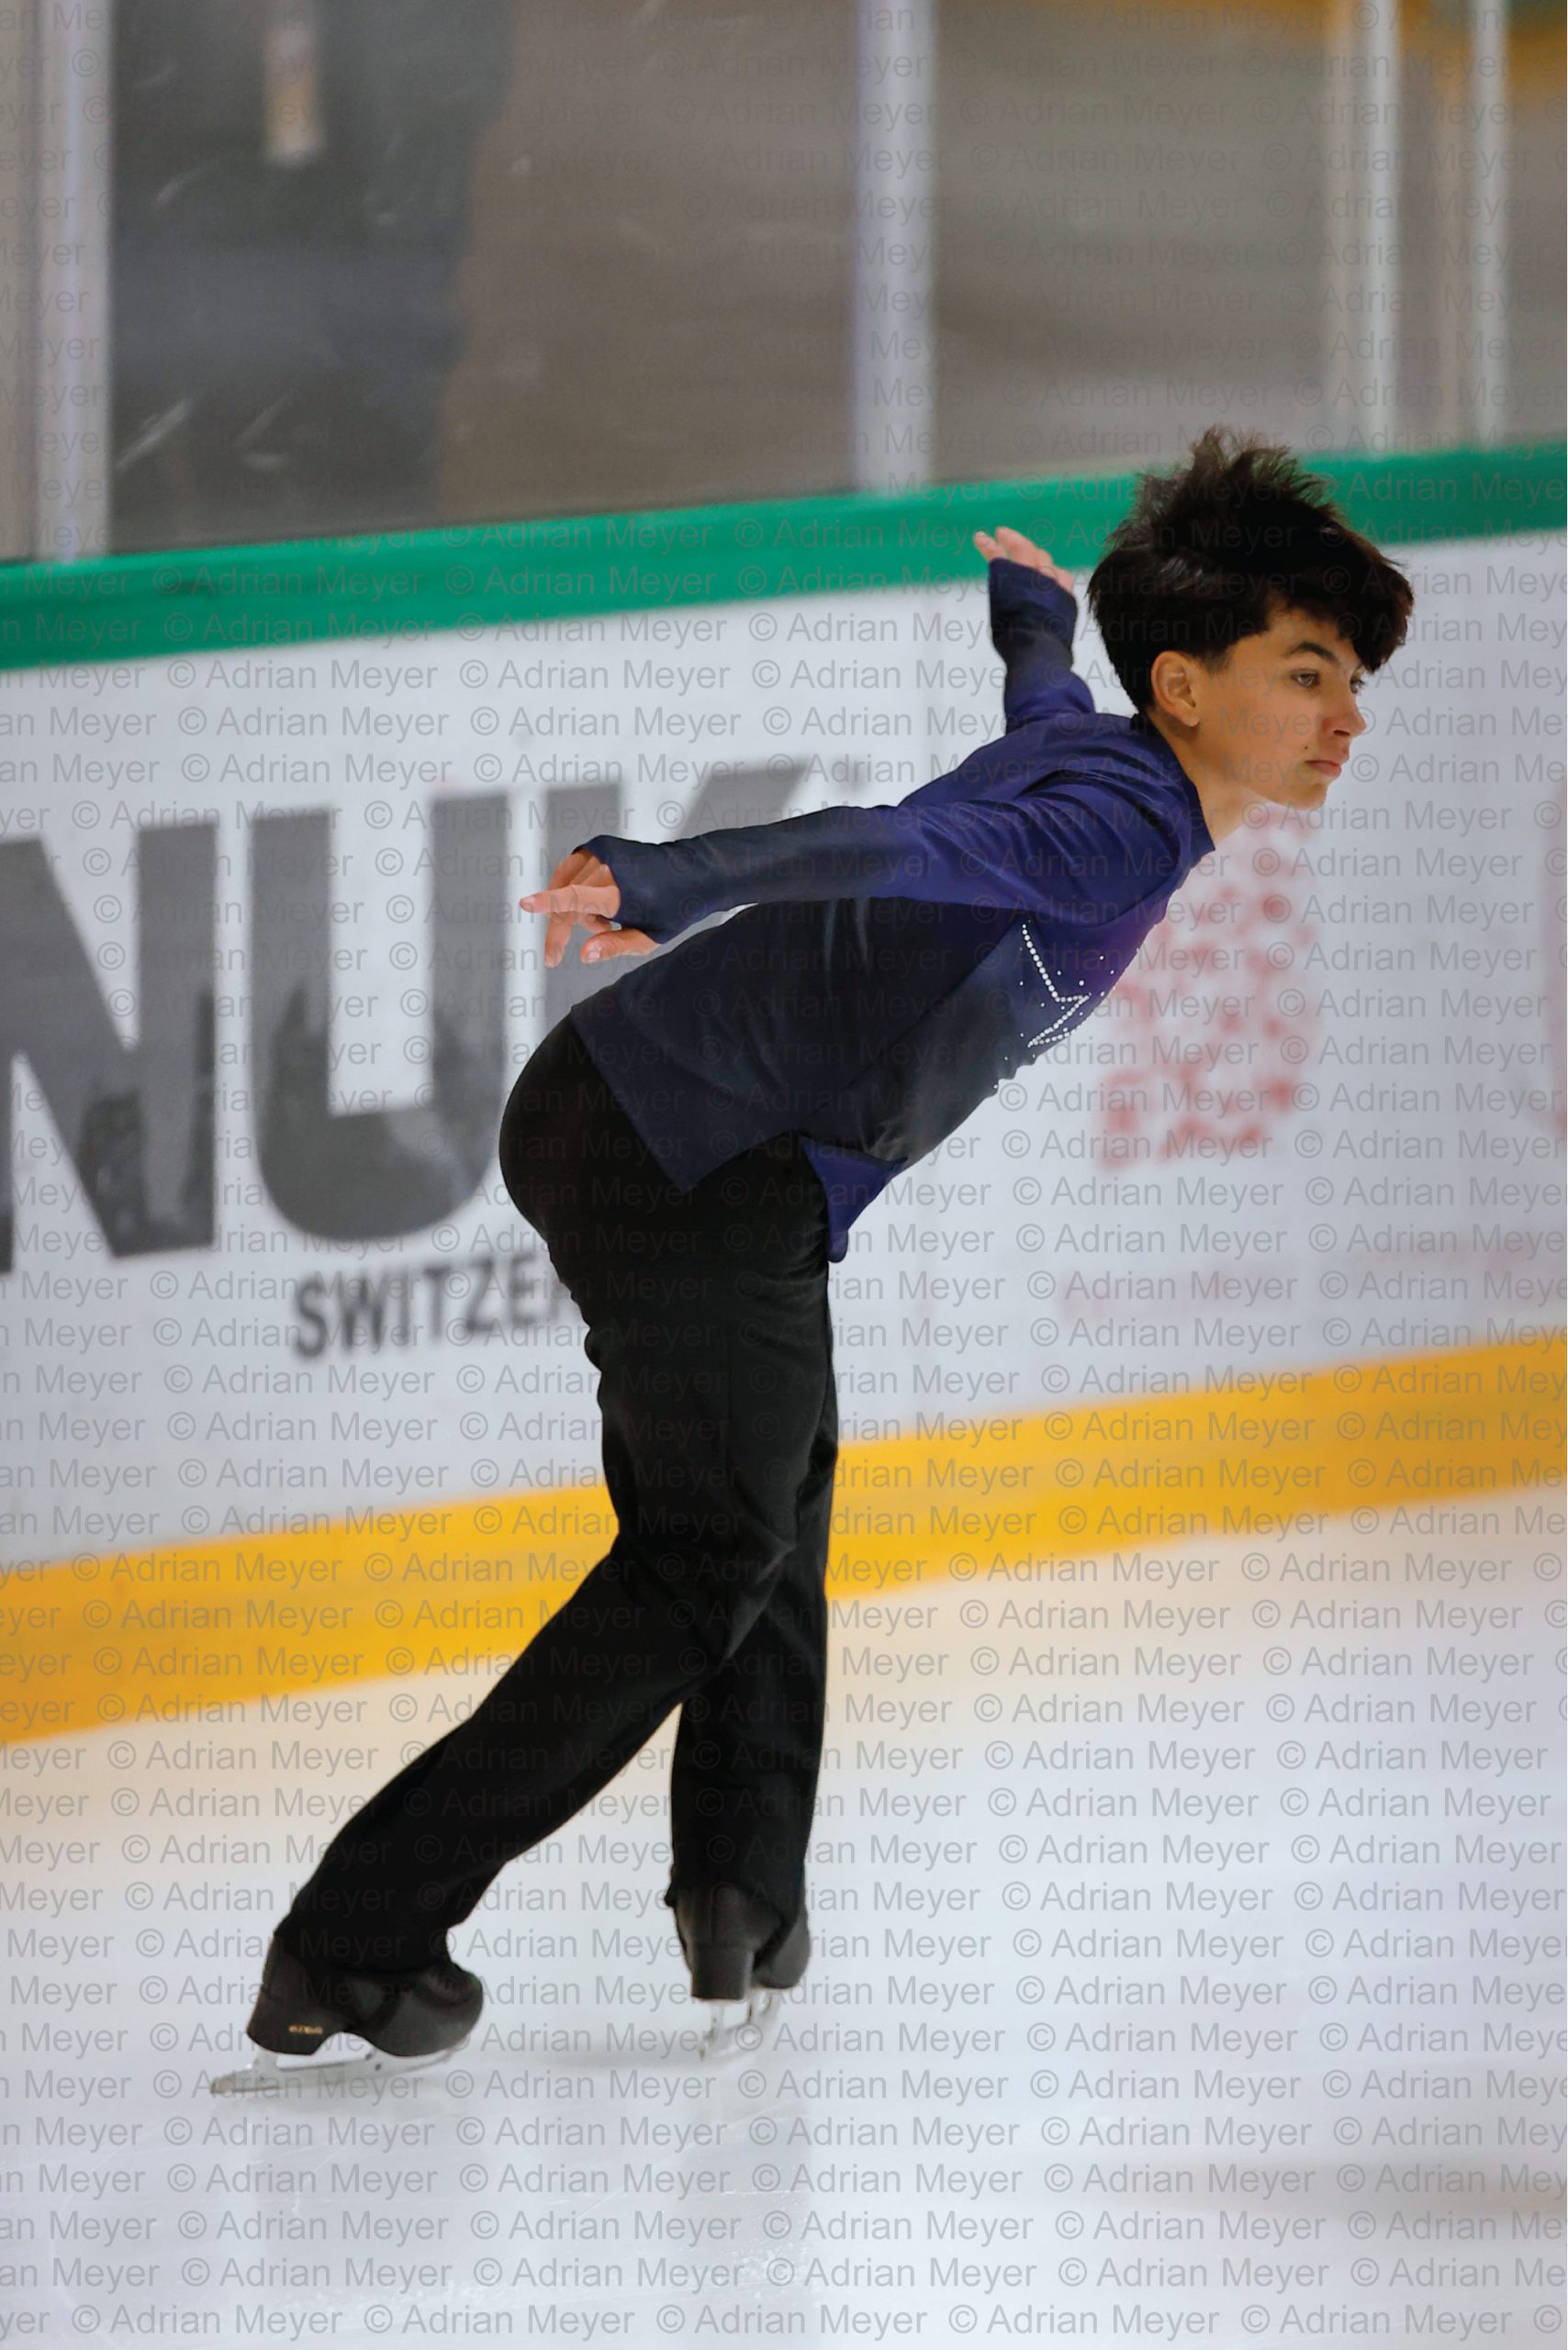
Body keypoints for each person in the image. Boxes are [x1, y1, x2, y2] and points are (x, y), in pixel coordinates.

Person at [220, 424, 1414, 2087]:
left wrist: (1028, 615)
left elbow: (1039, 716)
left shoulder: (1111, 772)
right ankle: (355, 1940)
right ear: (1193, 686)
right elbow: (893, 845)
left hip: (673, 1130)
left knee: (771, 1495)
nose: (1346, 713)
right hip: (693, 1151)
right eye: (1308, 671)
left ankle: (740, 1886)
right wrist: (670, 874)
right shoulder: (1120, 838)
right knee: (711, 1551)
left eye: (1352, 675)